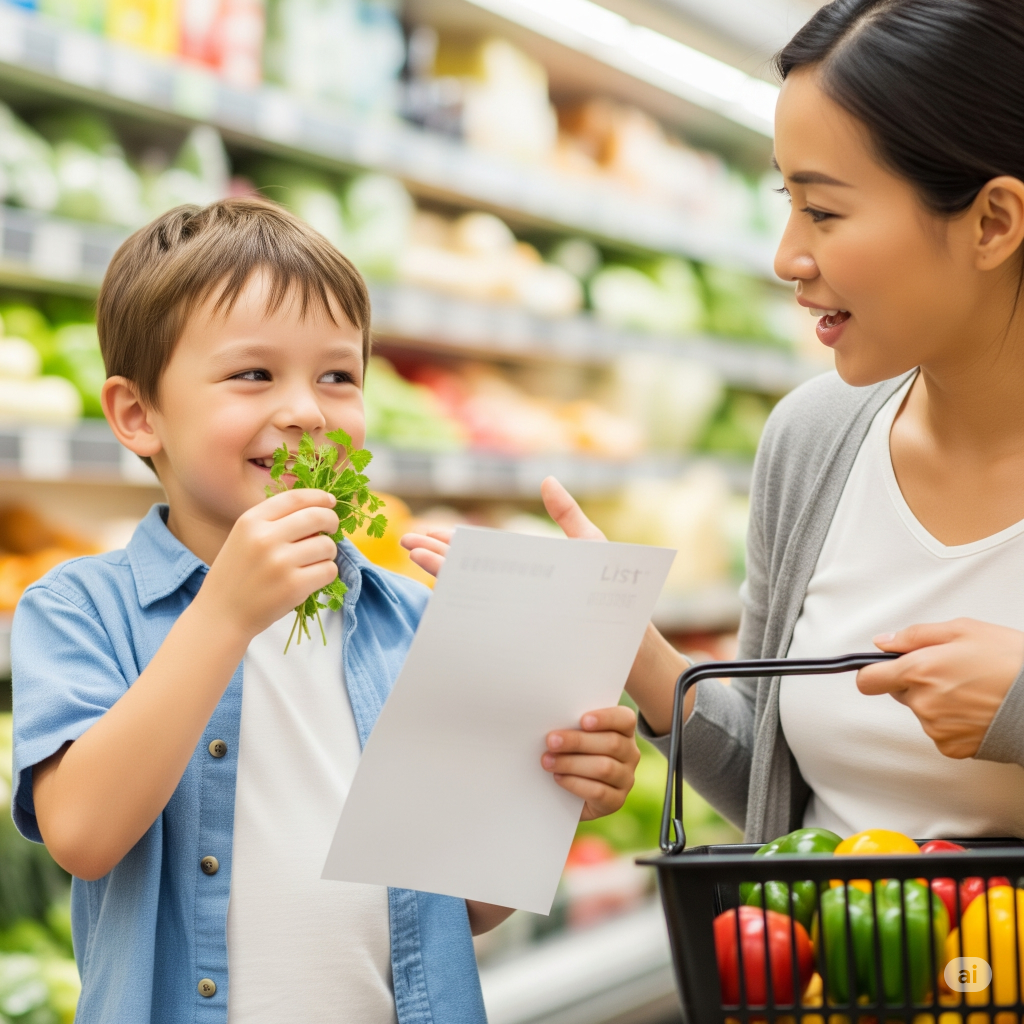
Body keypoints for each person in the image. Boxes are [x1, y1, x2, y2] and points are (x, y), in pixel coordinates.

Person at [404, 0, 1024, 845]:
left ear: (992, 222)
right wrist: (628, 643)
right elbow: (768, 790)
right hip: (823, 978)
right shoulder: (813, 439)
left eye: (825, 211)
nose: (786, 258)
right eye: (788, 201)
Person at [9, 197, 642, 1024]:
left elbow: (461, 910)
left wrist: (551, 795)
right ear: (138, 415)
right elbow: (84, 835)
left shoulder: (410, 620)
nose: (308, 409)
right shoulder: (79, 607)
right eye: (254, 373)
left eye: (338, 376)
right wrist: (224, 615)